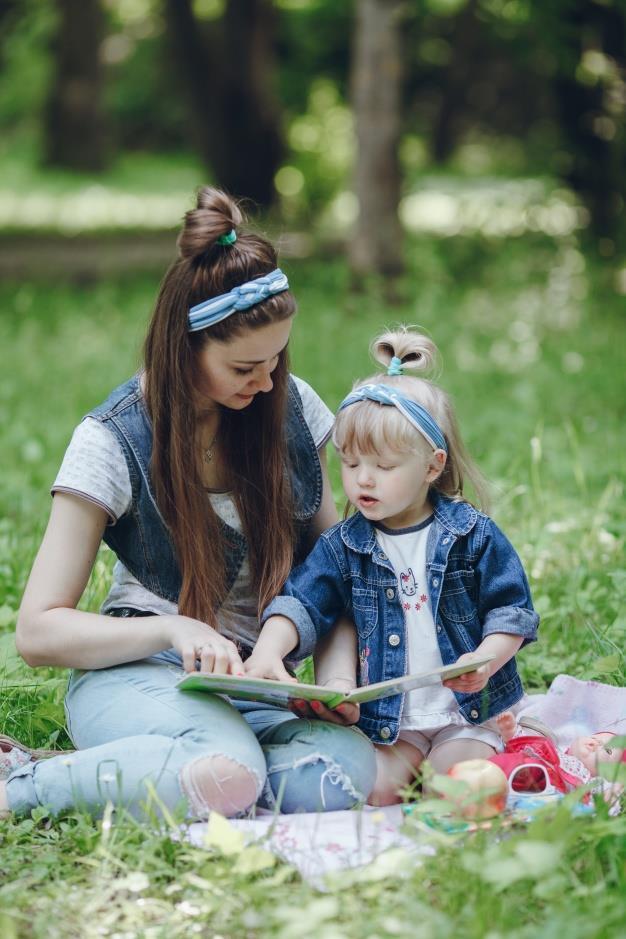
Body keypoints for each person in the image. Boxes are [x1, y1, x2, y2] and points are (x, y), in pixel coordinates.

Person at [1, 187, 376, 821]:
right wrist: (177, 627)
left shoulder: (290, 409)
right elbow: (38, 631)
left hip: (257, 686)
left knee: (338, 778)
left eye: (277, 361)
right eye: (243, 368)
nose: (266, 383)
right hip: (137, 674)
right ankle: (24, 783)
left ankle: (184, 775)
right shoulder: (114, 438)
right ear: (186, 348)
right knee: (226, 773)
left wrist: (335, 683)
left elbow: (334, 577)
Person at [246, 327, 539, 805]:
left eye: (383, 467)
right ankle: (409, 773)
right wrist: (268, 652)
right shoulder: (345, 546)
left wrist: (484, 660)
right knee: (374, 789)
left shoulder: (471, 534)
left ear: (431, 466)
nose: (363, 479)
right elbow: (301, 603)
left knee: (460, 784)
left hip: (464, 711)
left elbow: (512, 610)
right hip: (391, 721)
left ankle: (510, 745)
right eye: (350, 462)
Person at [490, 711, 624, 802]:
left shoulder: (592, 782)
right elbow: (528, 747)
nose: (595, 743)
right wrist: (511, 732)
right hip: (527, 771)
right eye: (595, 738)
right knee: (513, 761)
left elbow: (609, 798)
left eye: (608, 750)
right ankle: (485, 779)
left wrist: (619, 785)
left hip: (549, 795)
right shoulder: (554, 751)